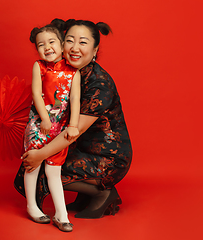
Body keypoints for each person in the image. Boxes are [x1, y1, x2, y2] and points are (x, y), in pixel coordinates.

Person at [14, 19, 132, 220]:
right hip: (81, 148)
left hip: (107, 157)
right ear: (61, 43)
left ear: (95, 50)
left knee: (44, 165)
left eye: (83, 42)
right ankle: (84, 195)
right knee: (39, 160)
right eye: (70, 40)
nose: (75, 48)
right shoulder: (62, 71)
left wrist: (40, 154)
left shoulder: (99, 84)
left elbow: (75, 130)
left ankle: (102, 193)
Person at [22, 19, 81, 232]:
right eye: (41, 44)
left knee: (54, 170)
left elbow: (75, 98)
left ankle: (61, 214)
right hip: (39, 125)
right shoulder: (39, 67)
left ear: (62, 43)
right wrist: (45, 119)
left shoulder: (74, 71)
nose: (47, 47)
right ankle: (32, 206)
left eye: (52, 42)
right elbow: (36, 93)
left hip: (61, 128)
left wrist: (73, 125)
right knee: (33, 165)